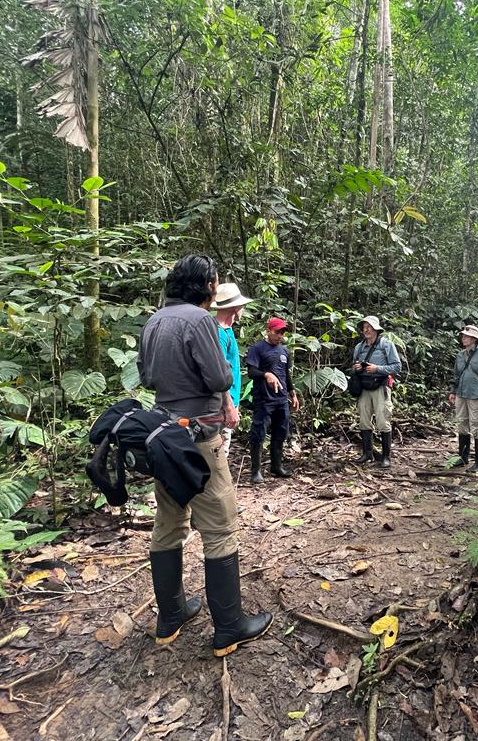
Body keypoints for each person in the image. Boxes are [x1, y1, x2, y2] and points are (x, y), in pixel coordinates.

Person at [137, 255, 272, 657]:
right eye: (214, 283)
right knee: (220, 526)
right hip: (200, 438)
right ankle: (229, 627)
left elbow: (146, 377)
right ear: (205, 287)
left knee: (168, 521)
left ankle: (171, 616)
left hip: (164, 436)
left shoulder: (154, 321)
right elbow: (219, 378)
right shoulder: (199, 321)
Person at [244, 317, 300, 484]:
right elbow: (251, 371)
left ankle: (276, 466)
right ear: (268, 330)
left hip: (281, 399)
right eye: (277, 332)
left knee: (280, 432)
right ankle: (256, 471)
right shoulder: (257, 348)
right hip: (264, 398)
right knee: (259, 433)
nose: (280, 335)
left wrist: (292, 393)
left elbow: (286, 374)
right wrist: (266, 374)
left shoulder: (284, 351)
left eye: (283, 332)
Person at [352, 315, 401, 469]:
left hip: (381, 386)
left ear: (376, 329)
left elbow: (397, 367)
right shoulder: (359, 347)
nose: (366, 329)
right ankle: (367, 454)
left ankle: (386, 457)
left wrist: (377, 368)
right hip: (364, 387)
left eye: (369, 327)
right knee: (364, 420)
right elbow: (353, 366)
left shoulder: (386, 345)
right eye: (364, 327)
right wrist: (357, 368)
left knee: (382, 421)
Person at [447, 325, 478, 473]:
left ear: (475, 339)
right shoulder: (460, 355)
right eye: (463, 336)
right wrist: (453, 391)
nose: (463, 338)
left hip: (477, 395)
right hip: (461, 394)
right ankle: (463, 457)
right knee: (462, 424)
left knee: (477, 427)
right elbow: (456, 374)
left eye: (467, 336)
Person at [213, 282, 253, 454]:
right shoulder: (219, 333)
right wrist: (228, 407)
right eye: (242, 306)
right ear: (235, 308)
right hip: (221, 404)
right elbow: (218, 372)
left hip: (228, 400)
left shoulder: (227, 331)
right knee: (219, 451)